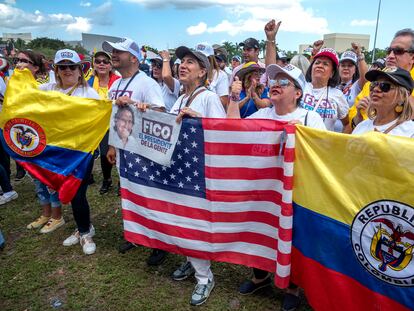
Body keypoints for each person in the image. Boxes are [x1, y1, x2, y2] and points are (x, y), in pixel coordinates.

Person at [228, 63, 325, 311]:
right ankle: (260, 278)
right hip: (263, 189)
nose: (275, 85)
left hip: (296, 192)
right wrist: (232, 98)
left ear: (298, 93)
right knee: (260, 230)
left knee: (290, 237)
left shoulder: (309, 118)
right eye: (274, 81)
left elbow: (324, 155)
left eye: (283, 82)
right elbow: (231, 131)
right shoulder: (262, 115)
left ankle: (292, 287)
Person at [167, 45, 226, 306]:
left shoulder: (208, 98)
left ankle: (205, 278)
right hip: (181, 170)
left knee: (195, 221)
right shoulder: (180, 98)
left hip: (199, 174)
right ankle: (193, 259)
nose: (183, 65)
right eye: (182, 61)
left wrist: (199, 119)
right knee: (182, 219)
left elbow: (223, 134)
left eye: (191, 62)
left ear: (203, 71)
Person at [102, 37, 166, 264]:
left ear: (134, 58)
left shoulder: (146, 83)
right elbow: (113, 117)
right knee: (128, 193)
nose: (114, 55)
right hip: (122, 149)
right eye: (113, 52)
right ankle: (135, 233)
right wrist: (112, 145)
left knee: (149, 195)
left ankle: (159, 243)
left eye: (119, 51)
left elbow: (160, 112)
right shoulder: (115, 84)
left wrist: (142, 107)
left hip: (142, 153)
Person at [39, 49, 100, 254]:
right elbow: (23, 95)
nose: (67, 70)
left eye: (71, 66)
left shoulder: (88, 93)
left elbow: (100, 117)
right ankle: (83, 226)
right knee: (64, 190)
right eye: (62, 67)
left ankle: (84, 232)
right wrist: (22, 73)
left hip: (81, 153)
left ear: (79, 69)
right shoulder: (48, 89)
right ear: (56, 70)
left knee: (77, 192)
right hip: (56, 151)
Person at [13, 50, 65, 234]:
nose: (19, 64)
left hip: (44, 140)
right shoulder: (13, 85)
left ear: (35, 67)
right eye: (17, 60)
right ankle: (45, 213)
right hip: (25, 139)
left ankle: (57, 216)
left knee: (48, 178)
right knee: (36, 178)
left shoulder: (46, 87)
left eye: (24, 61)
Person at [264, 19, 349, 132]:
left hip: (321, 147)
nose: (320, 66)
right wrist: (271, 40)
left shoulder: (337, 95)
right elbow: (273, 73)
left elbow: (347, 124)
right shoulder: (300, 86)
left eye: (325, 64)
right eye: (317, 62)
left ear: (332, 72)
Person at [349, 28, 414, 130]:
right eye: (389, 51)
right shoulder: (372, 83)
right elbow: (351, 126)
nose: (390, 56)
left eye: (398, 51)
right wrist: (358, 117)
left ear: (412, 58)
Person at [88, 51, 120, 194]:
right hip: (97, 125)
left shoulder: (119, 80)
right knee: (104, 154)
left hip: (117, 123)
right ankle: (107, 179)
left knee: (120, 154)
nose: (101, 64)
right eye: (98, 61)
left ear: (110, 65)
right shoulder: (87, 82)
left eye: (105, 61)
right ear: (94, 64)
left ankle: (122, 182)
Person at [353, 67, 414, 136]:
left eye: (385, 86)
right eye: (374, 84)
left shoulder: (411, 132)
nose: (376, 89)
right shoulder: (361, 126)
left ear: (402, 96)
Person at [195, 43, 229, 109]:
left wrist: (206, 89)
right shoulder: (192, 74)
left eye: (203, 57)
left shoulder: (220, 75)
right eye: (197, 58)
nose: (200, 60)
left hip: (211, 116)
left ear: (211, 59)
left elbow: (224, 102)